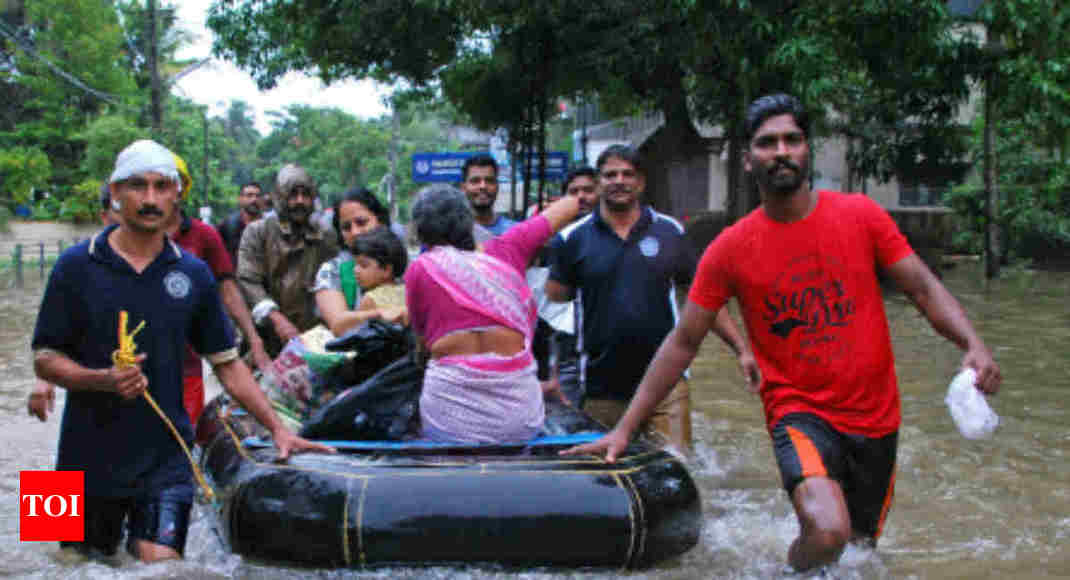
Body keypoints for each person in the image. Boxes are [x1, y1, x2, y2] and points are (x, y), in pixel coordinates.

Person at [563, 94, 1002, 573]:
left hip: (876, 417)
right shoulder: (729, 249)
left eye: (791, 139)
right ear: (748, 159)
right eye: (767, 143)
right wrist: (625, 430)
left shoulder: (862, 217)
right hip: (799, 412)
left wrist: (972, 343)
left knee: (857, 550)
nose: (781, 151)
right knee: (828, 530)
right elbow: (683, 342)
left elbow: (921, 287)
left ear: (807, 149)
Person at [31, 140, 332, 563]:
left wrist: (278, 428)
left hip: (165, 454)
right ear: (115, 192)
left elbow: (227, 365)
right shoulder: (72, 266)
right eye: (137, 186)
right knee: (59, 563)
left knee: (165, 565)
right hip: (79, 453)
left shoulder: (194, 274)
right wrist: (101, 380)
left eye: (161, 187)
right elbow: (43, 358)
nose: (150, 199)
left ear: (176, 195)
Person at [545, 146, 730, 452]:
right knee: (602, 476)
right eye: (610, 175)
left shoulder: (670, 231)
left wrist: (742, 350)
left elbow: (704, 300)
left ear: (641, 182)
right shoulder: (572, 239)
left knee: (674, 466)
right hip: (600, 384)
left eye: (627, 174)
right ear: (599, 183)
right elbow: (555, 299)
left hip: (667, 382)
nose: (619, 181)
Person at [405, 184, 580, 443]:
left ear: (421, 231)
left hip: (448, 416)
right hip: (518, 417)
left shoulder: (420, 270)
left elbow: (423, 342)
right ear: (468, 221)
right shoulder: (509, 247)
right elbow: (571, 205)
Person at [164, 155, 271, 427]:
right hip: (114, 378)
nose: (154, 195)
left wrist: (254, 339)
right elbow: (54, 343)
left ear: (181, 188)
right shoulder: (86, 258)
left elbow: (227, 289)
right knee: (83, 465)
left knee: (183, 449)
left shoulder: (204, 237)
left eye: (166, 183)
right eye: (141, 184)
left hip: (186, 365)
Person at [27, 183, 119, 421]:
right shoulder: (77, 265)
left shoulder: (174, 262)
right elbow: (54, 337)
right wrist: (44, 379)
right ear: (104, 215)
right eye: (118, 207)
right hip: (92, 407)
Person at [237, 164, 339, 357]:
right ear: (280, 197)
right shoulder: (258, 232)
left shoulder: (325, 234)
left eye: (305, 194)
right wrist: (277, 319)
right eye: (292, 195)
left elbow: (334, 283)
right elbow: (248, 281)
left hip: (315, 339)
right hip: (266, 338)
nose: (300, 201)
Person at [528, 166, 600, 406]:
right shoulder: (551, 241)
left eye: (588, 190)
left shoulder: (617, 239)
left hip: (599, 349)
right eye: (574, 191)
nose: (581, 197)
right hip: (560, 352)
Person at [313, 187, 399, 337]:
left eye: (361, 222)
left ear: (381, 222)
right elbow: (341, 329)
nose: (355, 232)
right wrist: (380, 313)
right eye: (346, 227)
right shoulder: (332, 271)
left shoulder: (406, 268)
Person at [350, 226, 408, 320]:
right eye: (355, 264)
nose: (355, 270)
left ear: (386, 270)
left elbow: (358, 331)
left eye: (363, 265)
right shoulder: (405, 291)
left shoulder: (371, 299)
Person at [461, 154, 516, 235]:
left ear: (497, 186)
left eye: (490, 181)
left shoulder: (513, 232)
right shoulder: (451, 234)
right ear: (463, 188)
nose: (483, 186)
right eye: (475, 181)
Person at [217, 181, 266, 266]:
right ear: (240, 199)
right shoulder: (227, 226)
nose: (254, 199)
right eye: (249, 195)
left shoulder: (269, 227)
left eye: (258, 196)